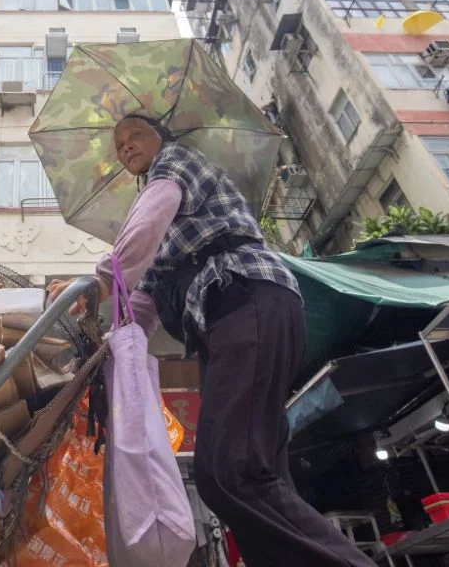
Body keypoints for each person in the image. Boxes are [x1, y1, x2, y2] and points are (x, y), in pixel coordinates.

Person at [47, 113, 372, 567]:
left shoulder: (176, 165)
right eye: (119, 144)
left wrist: (99, 281)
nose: (126, 147)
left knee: (228, 471)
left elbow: (150, 218)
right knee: (257, 474)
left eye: (134, 134)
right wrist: (101, 348)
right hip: (224, 324)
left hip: (247, 296)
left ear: (162, 134)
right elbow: (142, 304)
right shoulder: (166, 234)